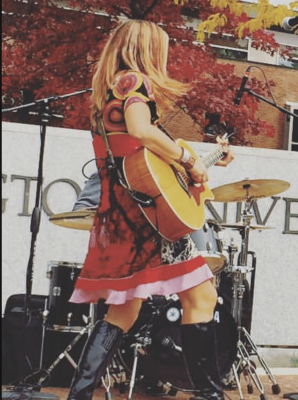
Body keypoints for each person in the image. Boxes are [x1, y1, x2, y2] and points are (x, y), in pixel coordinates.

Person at [67, 20, 234, 400]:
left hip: (124, 214)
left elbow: (141, 150)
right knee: (202, 297)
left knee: (122, 312)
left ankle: (79, 396)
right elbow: (142, 131)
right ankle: (210, 396)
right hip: (148, 220)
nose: (165, 57)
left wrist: (203, 157)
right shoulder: (133, 82)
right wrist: (191, 164)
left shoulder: (109, 91)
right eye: (161, 49)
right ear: (146, 50)